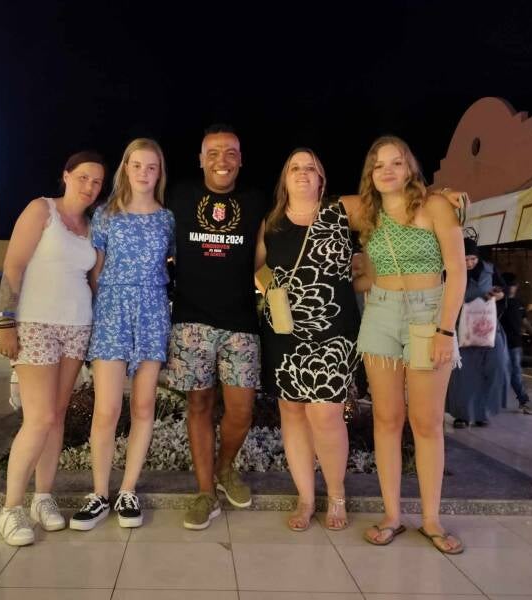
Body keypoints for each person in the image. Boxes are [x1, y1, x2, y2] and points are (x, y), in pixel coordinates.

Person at [353, 136, 466, 554]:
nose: (386, 171)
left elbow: (457, 271)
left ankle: (431, 520)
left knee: (427, 422)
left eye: (396, 163)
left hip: (427, 314)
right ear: (370, 173)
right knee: (385, 419)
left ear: (410, 168)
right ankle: (392, 515)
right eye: (378, 164)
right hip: (380, 312)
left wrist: (445, 331)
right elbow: (315, 202)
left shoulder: (435, 206)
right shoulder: (368, 213)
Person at [0, 151, 105, 546]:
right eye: (84, 177)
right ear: (66, 175)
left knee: (57, 416)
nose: (90, 186)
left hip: (77, 326)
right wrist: (5, 323)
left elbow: (94, 282)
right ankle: (11, 509)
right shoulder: (42, 210)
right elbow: (13, 266)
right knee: (39, 418)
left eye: (97, 181)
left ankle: (43, 497)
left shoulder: (91, 227)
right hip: (36, 323)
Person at [164, 124, 268, 530]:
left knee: (241, 410)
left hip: (240, 321)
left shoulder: (256, 200)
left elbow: (277, 239)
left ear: (241, 160)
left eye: (230, 153)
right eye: (213, 153)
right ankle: (205, 491)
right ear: (200, 159)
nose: (221, 161)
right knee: (199, 406)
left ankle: (225, 467)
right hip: (190, 319)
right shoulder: (179, 195)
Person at [69, 138, 175, 531]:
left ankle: (128, 490)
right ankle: (99, 492)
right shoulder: (106, 214)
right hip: (112, 311)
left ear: (159, 173)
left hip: (152, 313)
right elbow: (95, 272)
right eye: (137, 165)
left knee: (144, 407)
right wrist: (105, 309)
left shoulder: (167, 219)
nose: (144, 173)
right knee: (107, 408)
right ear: (125, 169)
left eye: (152, 167)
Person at [255, 148, 362, 532]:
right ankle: (305, 498)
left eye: (310, 168)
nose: (302, 173)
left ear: (321, 179)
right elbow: (257, 269)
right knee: (293, 412)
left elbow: (396, 205)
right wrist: (273, 292)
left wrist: (438, 197)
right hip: (285, 330)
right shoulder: (272, 222)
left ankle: (336, 495)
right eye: (294, 168)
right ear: (285, 179)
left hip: (334, 328)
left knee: (326, 414)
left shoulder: (342, 210)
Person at [446, 238, 509, 428]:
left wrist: (498, 295)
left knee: (496, 368)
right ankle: (462, 415)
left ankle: (482, 413)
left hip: (488, 329)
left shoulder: (490, 270)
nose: (469, 263)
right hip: (463, 331)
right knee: (463, 374)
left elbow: (504, 290)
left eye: (473, 258)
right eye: (465, 259)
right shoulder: (450, 271)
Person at [500, 272, 532, 415]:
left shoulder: (518, 304)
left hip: (515, 345)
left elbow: (525, 322)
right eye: (508, 285)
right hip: (500, 344)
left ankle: (524, 401)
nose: (510, 288)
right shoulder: (499, 303)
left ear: (516, 286)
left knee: (515, 373)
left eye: (512, 285)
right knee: (503, 373)